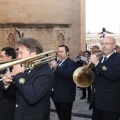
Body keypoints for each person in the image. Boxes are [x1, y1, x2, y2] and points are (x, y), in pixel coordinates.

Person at [3, 38, 54, 120]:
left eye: (21, 53)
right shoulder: (26, 68)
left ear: (33, 54)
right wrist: (7, 85)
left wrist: (19, 75)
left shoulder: (45, 72)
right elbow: (17, 94)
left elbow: (32, 97)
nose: (18, 57)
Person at [89, 36, 120, 120]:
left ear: (114, 46)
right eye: (102, 43)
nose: (103, 46)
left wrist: (97, 63)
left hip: (110, 105)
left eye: (107, 43)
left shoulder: (118, 58)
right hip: (97, 103)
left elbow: (113, 75)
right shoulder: (101, 59)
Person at [50, 45, 78, 120]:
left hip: (65, 96)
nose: (59, 53)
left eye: (62, 51)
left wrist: (56, 67)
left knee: (65, 117)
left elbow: (68, 74)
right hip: (56, 95)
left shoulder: (71, 63)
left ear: (67, 53)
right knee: (60, 116)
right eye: (58, 51)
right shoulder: (58, 62)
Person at [0, 47, 16, 120]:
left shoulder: (16, 70)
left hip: (7, 107)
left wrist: (6, 84)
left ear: (9, 58)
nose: (0, 58)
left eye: (2, 56)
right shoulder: (1, 69)